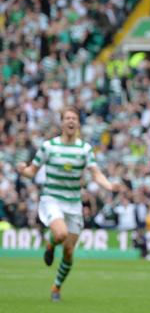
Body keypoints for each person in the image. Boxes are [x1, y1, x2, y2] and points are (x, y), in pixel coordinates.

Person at [15, 107, 120, 301]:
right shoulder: (49, 146)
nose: (71, 121)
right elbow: (32, 171)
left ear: (78, 123)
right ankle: (51, 243)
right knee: (61, 233)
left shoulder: (84, 149)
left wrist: (109, 185)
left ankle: (56, 287)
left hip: (73, 204)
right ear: (62, 123)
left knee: (69, 252)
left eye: (74, 118)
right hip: (52, 199)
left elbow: (95, 173)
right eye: (67, 118)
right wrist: (23, 170)